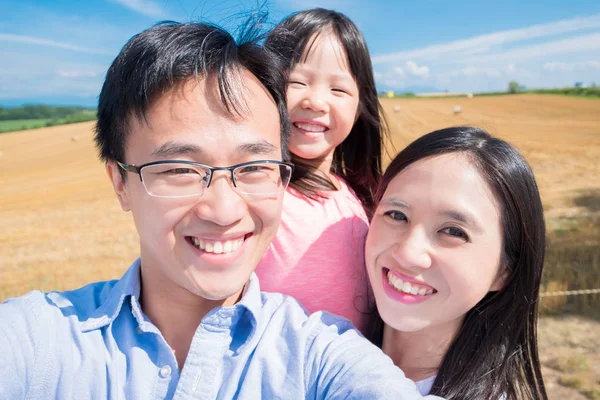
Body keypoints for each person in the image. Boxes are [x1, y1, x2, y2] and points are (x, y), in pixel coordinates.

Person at [0, 20, 443, 399]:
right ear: (120, 182)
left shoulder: (320, 355)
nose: (224, 210)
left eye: (254, 166)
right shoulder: (39, 342)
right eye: (179, 168)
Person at [365, 126, 548, 399]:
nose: (408, 253)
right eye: (396, 214)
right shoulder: (317, 349)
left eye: (453, 231)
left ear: (505, 270)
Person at [257, 8, 386, 333]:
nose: (315, 101)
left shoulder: (359, 196)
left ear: (360, 108)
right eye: (296, 82)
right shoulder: (257, 192)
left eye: (338, 90)